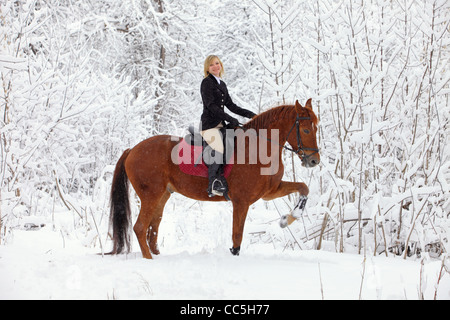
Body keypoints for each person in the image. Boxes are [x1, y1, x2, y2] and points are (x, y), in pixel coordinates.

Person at [200, 55, 256, 198]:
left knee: (234, 143)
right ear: (207, 68)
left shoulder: (222, 84)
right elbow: (211, 106)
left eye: (217, 63)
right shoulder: (206, 83)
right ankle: (213, 183)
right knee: (219, 148)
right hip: (209, 125)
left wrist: (251, 115)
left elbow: (231, 105)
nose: (215, 66)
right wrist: (229, 118)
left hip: (220, 124)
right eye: (211, 64)